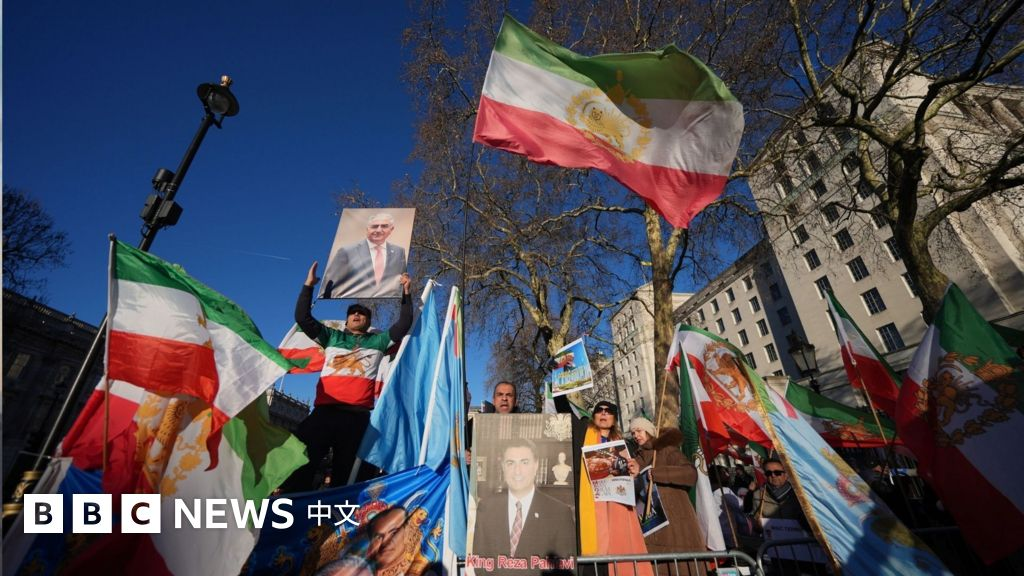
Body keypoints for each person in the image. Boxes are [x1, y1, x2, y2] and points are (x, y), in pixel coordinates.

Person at [282, 261, 413, 492]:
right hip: (324, 413)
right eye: (352, 313)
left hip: (357, 418)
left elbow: (403, 324)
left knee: (352, 478)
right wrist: (308, 286)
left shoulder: (379, 341)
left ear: (368, 322)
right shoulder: (331, 337)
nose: (356, 314)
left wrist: (406, 293)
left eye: (361, 313)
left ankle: (344, 512)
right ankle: (290, 508)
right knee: (299, 464)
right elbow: (302, 318)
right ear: (347, 320)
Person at [555, 397, 652, 576]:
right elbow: (563, 409)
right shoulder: (583, 432)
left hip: (618, 508)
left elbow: (636, 485)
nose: (604, 413)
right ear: (594, 416)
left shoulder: (625, 444)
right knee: (595, 561)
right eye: (599, 410)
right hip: (591, 506)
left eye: (609, 411)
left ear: (614, 419)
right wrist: (558, 384)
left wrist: (635, 472)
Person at [473, 439, 576, 564]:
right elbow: (478, 562)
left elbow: (566, 567)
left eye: (524, 462)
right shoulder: (486, 508)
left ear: (536, 465)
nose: (517, 471)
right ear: (503, 467)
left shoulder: (559, 513)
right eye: (510, 463)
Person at [628, 417, 704, 575]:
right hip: (651, 527)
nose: (636, 435)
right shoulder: (636, 460)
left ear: (649, 431)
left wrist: (657, 473)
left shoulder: (666, 450)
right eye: (633, 433)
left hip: (676, 525)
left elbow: (690, 474)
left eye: (639, 431)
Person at [323, 212, 408, 299]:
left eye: (384, 226)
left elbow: (402, 281)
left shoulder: (399, 252)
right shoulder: (346, 251)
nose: (379, 230)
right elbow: (329, 283)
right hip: (354, 301)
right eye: (374, 226)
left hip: (387, 303)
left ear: (391, 229)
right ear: (367, 229)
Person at [750, 458, 806, 526]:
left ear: (786, 475)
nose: (773, 475)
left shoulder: (800, 495)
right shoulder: (758, 495)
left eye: (777, 473)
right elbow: (754, 519)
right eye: (769, 473)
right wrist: (757, 524)